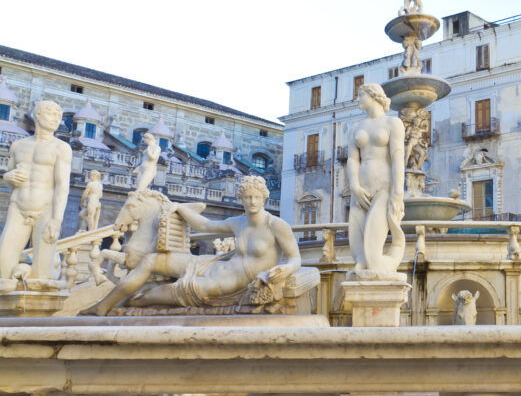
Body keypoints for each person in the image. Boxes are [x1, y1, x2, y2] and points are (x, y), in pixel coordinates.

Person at [85, 176, 300, 313]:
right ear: (241, 199)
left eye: (256, 197)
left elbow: (295, 258)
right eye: (248, 197)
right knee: (151, 260)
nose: (252, 202)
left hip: (222, 286)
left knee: (145, 298)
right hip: (209, 265)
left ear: (264, 199)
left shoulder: (277, 225)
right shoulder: (239, 222)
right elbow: (204, 224)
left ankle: (123, 306)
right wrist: (176, 206)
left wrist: (286, 268)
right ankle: (102, 306)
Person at [0, 100, 72, 287]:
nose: (56, 119)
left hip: (45, 209)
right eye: (50, 113)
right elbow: (8, 179)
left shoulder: (61, 148)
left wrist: (57, 219)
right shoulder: (17, 145)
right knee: (3, 269)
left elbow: (62, 186)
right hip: (18, 206)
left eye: (59, 115)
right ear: (37, 115)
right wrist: (9, 176)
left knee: (43, 276)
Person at [347, 83, 406, 277]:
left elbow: (398, 157)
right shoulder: (355, 127)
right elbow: (353, 159)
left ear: (373, 96)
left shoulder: (393, 123)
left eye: (360, 95)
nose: (358, 99)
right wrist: (354, 186)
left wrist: (398, 192)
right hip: (361, 189)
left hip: (384, 187)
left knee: (372, 253)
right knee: (357, 248)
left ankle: (385, 263)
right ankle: (366, 268)